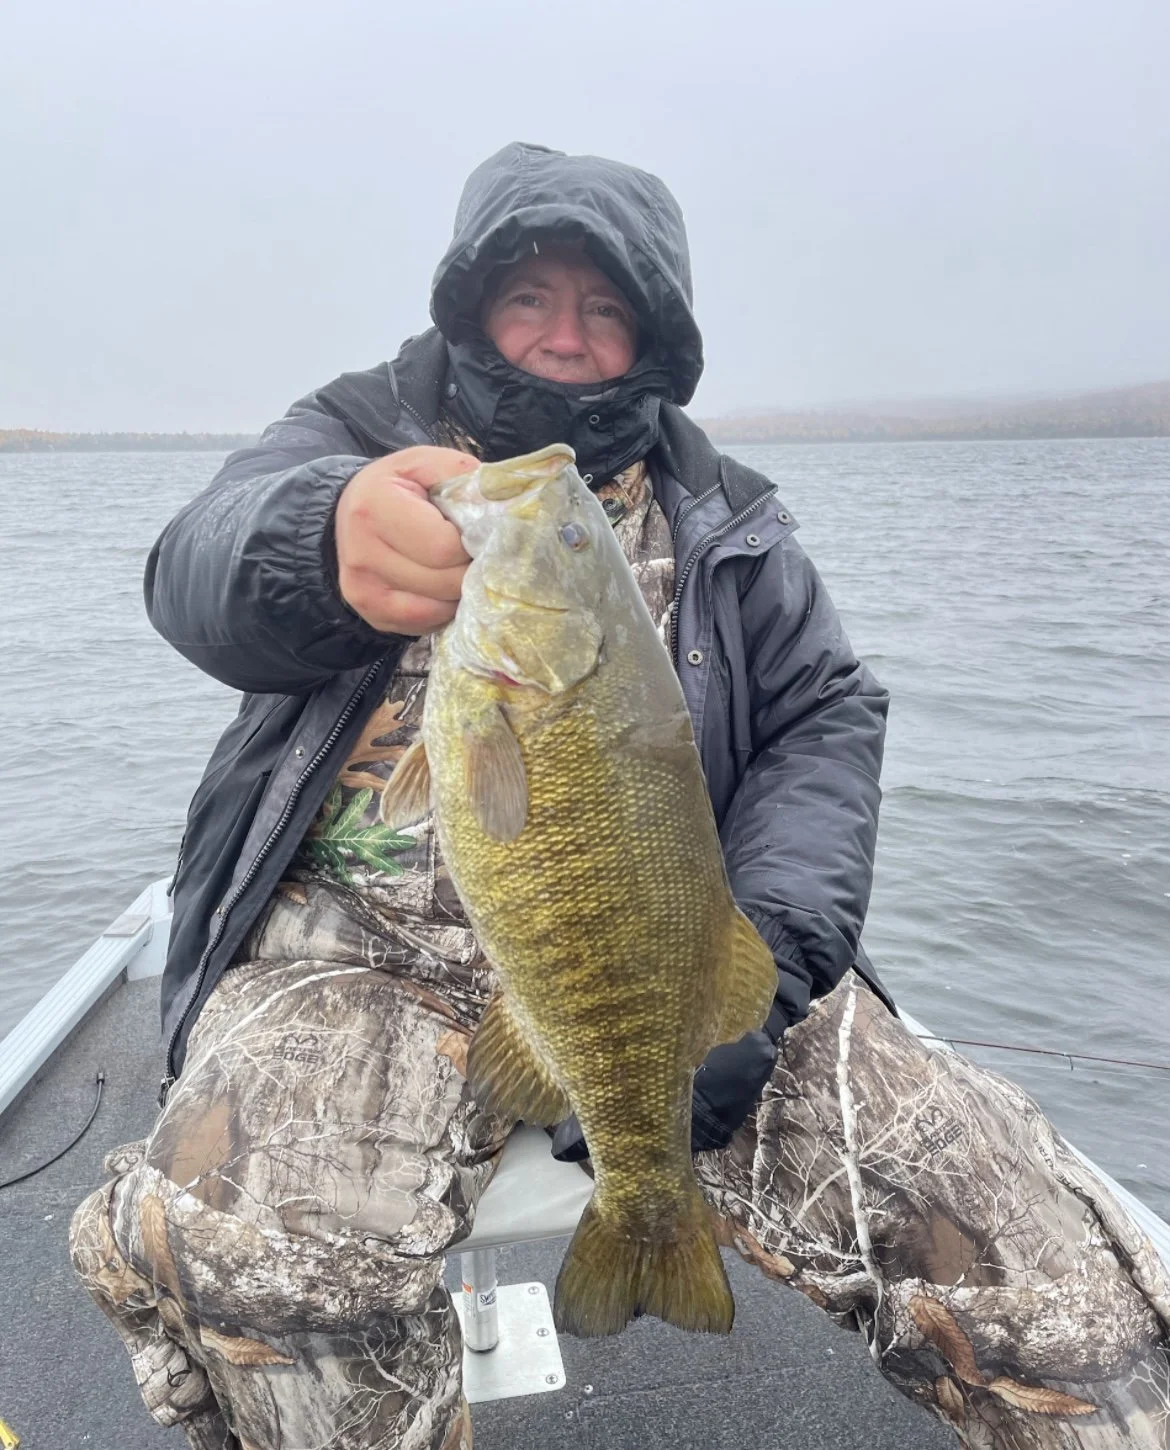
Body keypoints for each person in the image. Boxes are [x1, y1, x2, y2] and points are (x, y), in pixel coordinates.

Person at [71, 144, 1170, 1450]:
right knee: (273, 1260)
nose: (566, 337)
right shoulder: (355, 436)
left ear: (654, 334)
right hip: (345, 957)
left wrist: (747, 981)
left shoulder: (730, 518)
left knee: (1029, 1243)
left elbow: (826, 716)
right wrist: (315, 539)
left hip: (657, 950)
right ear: (469, 305)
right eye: (529, 296)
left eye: (605, 308)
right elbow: (193, 569)